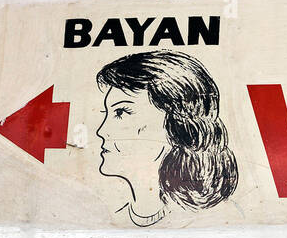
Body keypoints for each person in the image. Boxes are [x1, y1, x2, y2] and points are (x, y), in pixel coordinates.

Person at [95, 50, 238, 227]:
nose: (101, 131)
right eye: (107, 113)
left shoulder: (216, 223)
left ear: (177, 126)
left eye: (121, 112)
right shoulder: (109, 222)